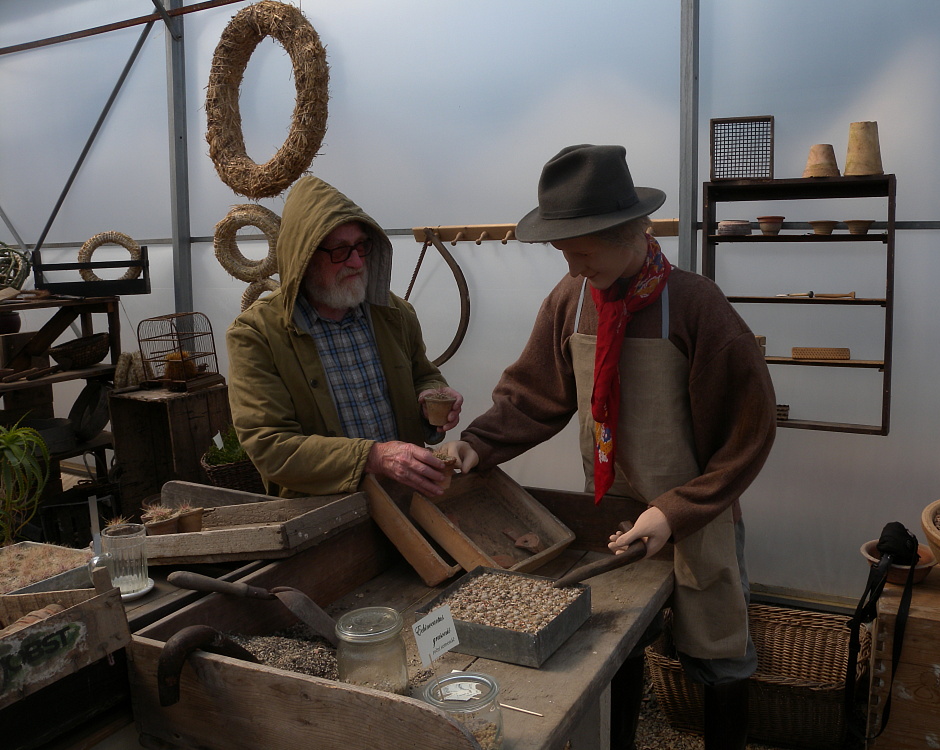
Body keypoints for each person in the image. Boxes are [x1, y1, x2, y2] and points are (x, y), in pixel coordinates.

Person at [444, 145, 776, 750]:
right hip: (618, 514)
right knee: (619, 647)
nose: (569, 263)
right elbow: (535, 393)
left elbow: (747, 437)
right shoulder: (572, 302)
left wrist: (675, 511)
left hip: (698, 516)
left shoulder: (696, 306)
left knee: (720, 655)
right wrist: (477, 445)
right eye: (561, 250)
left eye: (580, 249)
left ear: (629, 233)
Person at [227, 174, 463, 499]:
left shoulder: (393, 314)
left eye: (361, 246)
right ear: (303, 258)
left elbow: (423, 375)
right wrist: (374, 458)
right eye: (339, 250)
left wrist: (429, 398)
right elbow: (270, 446)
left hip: (407, 498)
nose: (355, 262)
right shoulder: (257, 335)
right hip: (323, 513)